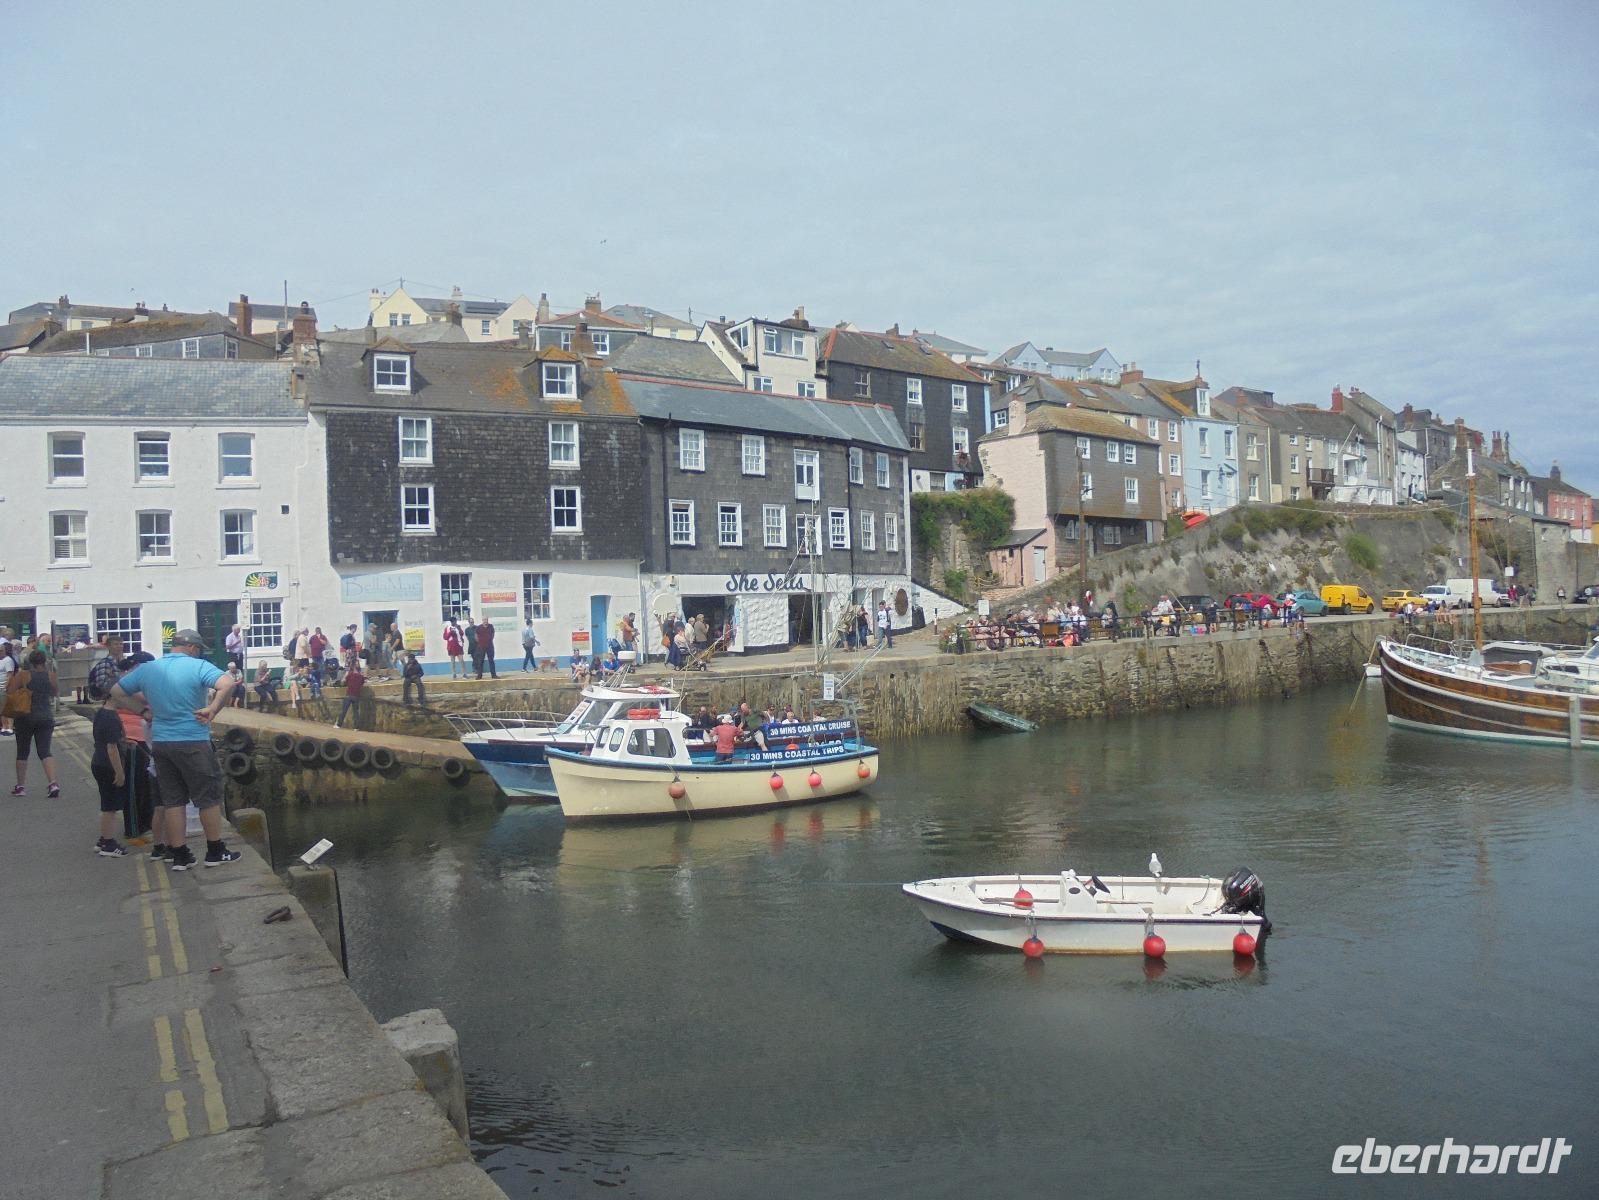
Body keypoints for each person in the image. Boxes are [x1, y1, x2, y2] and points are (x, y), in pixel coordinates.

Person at [111, 629, 241, 870]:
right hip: (193, 740)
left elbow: (117, 692)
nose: (199, 653)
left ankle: (180, 855)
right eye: (198, 649)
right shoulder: (198, 666)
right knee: (207, 799)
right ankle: (215, 851)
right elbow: (228, 683)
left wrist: (143, 712)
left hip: (162, 743)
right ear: (192, 648)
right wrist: (212, 709)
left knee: (173, 801)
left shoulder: (149, 669)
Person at [8, 649, 60, 797]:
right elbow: (55, 693)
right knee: (45, 750)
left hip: (25, 716)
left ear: (29, 661)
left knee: (23, 751)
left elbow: (10, 691)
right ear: (45, 661)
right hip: (45, 716)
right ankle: (53, 783)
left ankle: (21, 786)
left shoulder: (23, 675)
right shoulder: (51, 676)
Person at [90, 675, 131, 856]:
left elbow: (106, 739)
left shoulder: (101, 713)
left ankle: (103, 839)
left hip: (97, 761)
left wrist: (125, 740)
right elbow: (112, 748)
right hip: (108, 765)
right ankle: (108, 842)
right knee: (110, 806)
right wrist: (120, 772)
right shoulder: (112, 718)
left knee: (108, 802)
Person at [87, 635, 124, 701]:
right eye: (116, 644)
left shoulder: (123, 663)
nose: (119, 646)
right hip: (110, 700)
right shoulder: (105, 663)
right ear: (108, 647)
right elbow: (101, 685)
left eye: (121, 644)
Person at [335, 660, 365, 728]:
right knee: (356, 713)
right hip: (356, 696)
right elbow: (362, 683)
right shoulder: (361, 676)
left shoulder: (350, 675)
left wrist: (345, 675)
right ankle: (356, 727)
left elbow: (343, 683)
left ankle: (338, 724)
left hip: (349, 695)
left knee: (343, 711)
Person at [0, 639, 15, 737]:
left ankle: (10, 727)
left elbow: (10, 675)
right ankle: (4, 727)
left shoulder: (8, 660)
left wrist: (6, 687)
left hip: (4, 688)